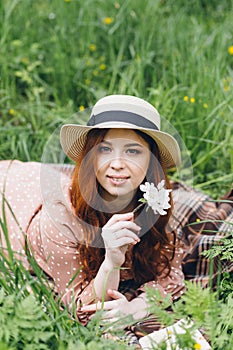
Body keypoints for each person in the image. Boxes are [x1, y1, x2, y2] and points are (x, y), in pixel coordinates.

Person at [0, 95, 232, 345]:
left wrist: (137, 308)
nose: (118, 164)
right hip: (10, 198)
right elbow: (84, 309)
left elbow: (171, 275)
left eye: (132, 151)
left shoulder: (154, 200)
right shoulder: (59, 217)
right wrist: (111, 260)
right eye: (105, 149)